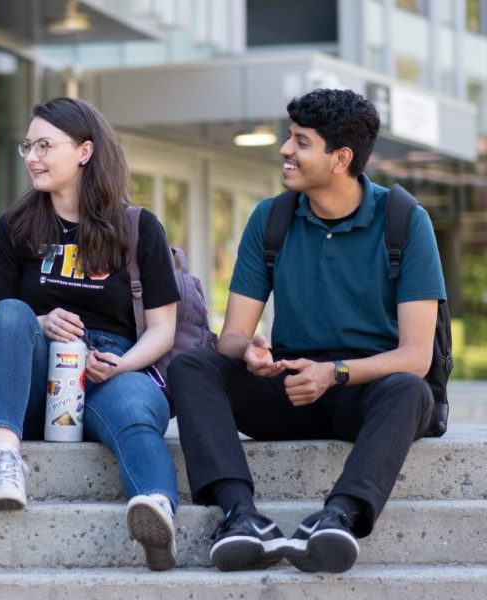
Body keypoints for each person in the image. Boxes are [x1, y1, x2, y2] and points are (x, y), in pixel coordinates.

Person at [168, 89, 445, 574]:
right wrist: (250, 352)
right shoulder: (271, 218)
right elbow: (232, 335)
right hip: (293, 387)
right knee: (193, 363)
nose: (285, 150)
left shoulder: (404, 221)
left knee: (409, 389)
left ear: (341, 158)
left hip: (369, 393)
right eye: (288, 137)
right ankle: (241, 515)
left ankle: (339, 518)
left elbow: (416, 355)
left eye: (301, 141)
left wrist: (335, 372)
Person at [0, 97, 181, 571]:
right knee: (8, 311)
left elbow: (162, 328)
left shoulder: (137, 227)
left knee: (133, 412)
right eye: (28, 145)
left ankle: (157, 510)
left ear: (85, 152)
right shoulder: (13, 229)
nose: (32, 157)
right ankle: (5, 464)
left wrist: (122, 365)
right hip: (37, 370)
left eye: (45, 145)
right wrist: (41, 322)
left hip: (111, 367)